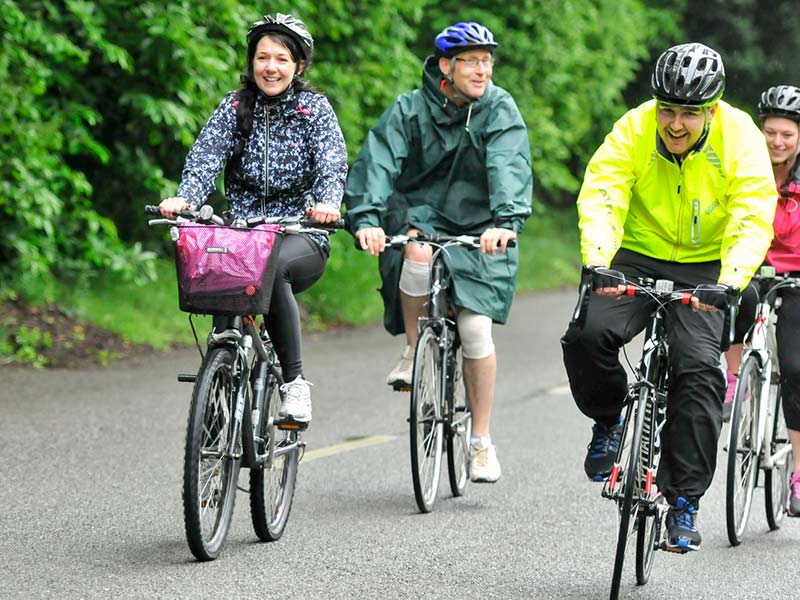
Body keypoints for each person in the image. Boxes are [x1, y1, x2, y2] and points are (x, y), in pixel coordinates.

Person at [561, 42, 777, 551]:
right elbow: (604, 191)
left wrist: (730, 282)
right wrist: (597, 260)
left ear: (713, 109)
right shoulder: (635, 127)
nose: (675, 124)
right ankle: (610, 420)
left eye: (689, 113)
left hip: (706, 265)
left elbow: (750, 213)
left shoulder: (740, 136)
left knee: (701, 371)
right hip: (635, 252)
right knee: (587, 335)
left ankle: (683, 502)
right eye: (668, 110)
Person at [344, 21, 533, 483]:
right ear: (447, 66)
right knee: (415, 254)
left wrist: (505, 222)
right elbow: (378, 162)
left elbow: (508, 164)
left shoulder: (498, 109)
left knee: (474, 329)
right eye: (473, 61)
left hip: (481, 228)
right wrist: (366, 218)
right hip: (420, 216)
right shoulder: (410, 109)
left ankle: (480, 441)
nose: (483, 70)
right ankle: (413, 349)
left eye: (488, 61)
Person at [159, 13, 347, 425]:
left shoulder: (314, 110)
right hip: (242, 231)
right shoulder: (234, 106)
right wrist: (185, 198)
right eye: (263, 57)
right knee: (218, 277)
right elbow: (205, 158)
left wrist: (327, 204)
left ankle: (293, 383)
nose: (271, 67)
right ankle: (219, 390)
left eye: (281, 58)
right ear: (252, 63)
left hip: (300, 233)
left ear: (298, 65)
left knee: (271, 267)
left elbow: (332, 167)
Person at [722, 84, 800, 515]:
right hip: (752, 264)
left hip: (797, 277)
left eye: (786, 134)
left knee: (795, 368)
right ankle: (734, 380)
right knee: (736, 297)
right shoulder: (746, 166)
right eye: (770, 132)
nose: (777, 141)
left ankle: (798, 474)